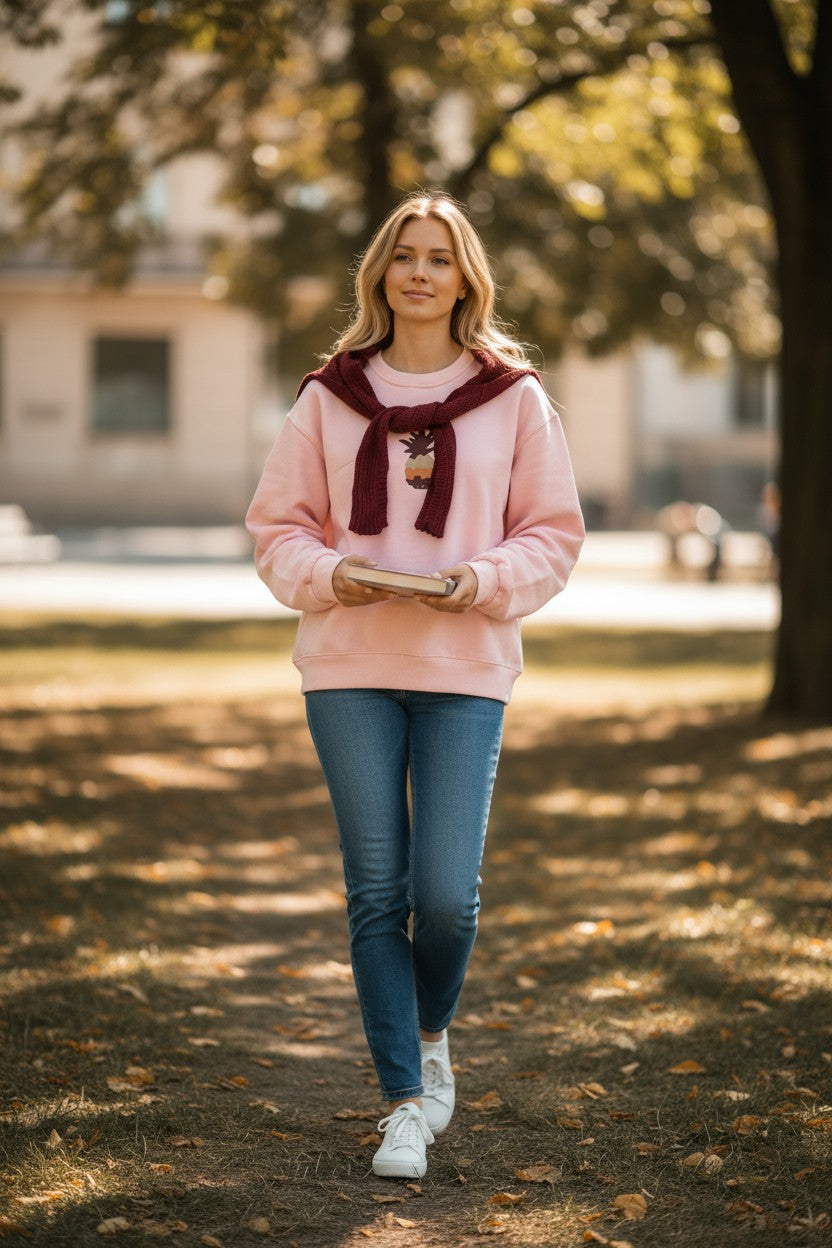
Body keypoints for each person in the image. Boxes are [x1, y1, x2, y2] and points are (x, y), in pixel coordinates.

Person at [246, 190, 584, 1180]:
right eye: (406, 256)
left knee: (445, 900)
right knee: (376, 892)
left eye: (441, 257)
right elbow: (278, 529)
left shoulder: (515, 398)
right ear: (382, 274)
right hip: (350, 661)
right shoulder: (328, 397)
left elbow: (552, 537)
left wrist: (478, 582)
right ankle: (402, 1099)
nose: (422, 272)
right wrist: (329, 573)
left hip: (464, 666)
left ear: (464, 277)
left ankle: (432, 1031)